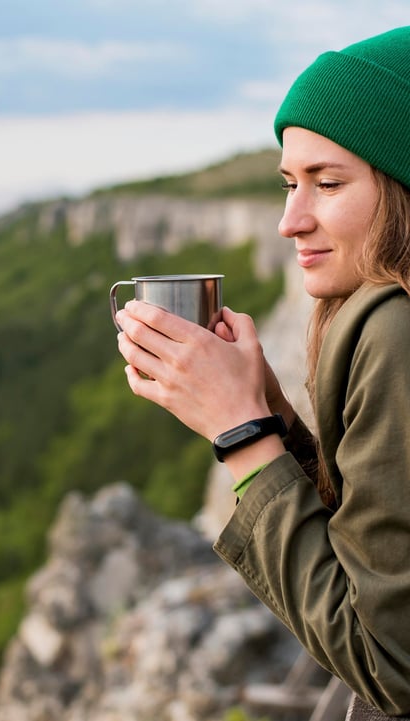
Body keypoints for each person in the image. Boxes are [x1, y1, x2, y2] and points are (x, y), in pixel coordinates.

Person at [114, 26, 410, 721]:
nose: (289, 221)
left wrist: (241, 433)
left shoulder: (394, 326)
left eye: (327, 183)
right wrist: (274, 415)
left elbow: (390, 663)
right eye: (287, 184)